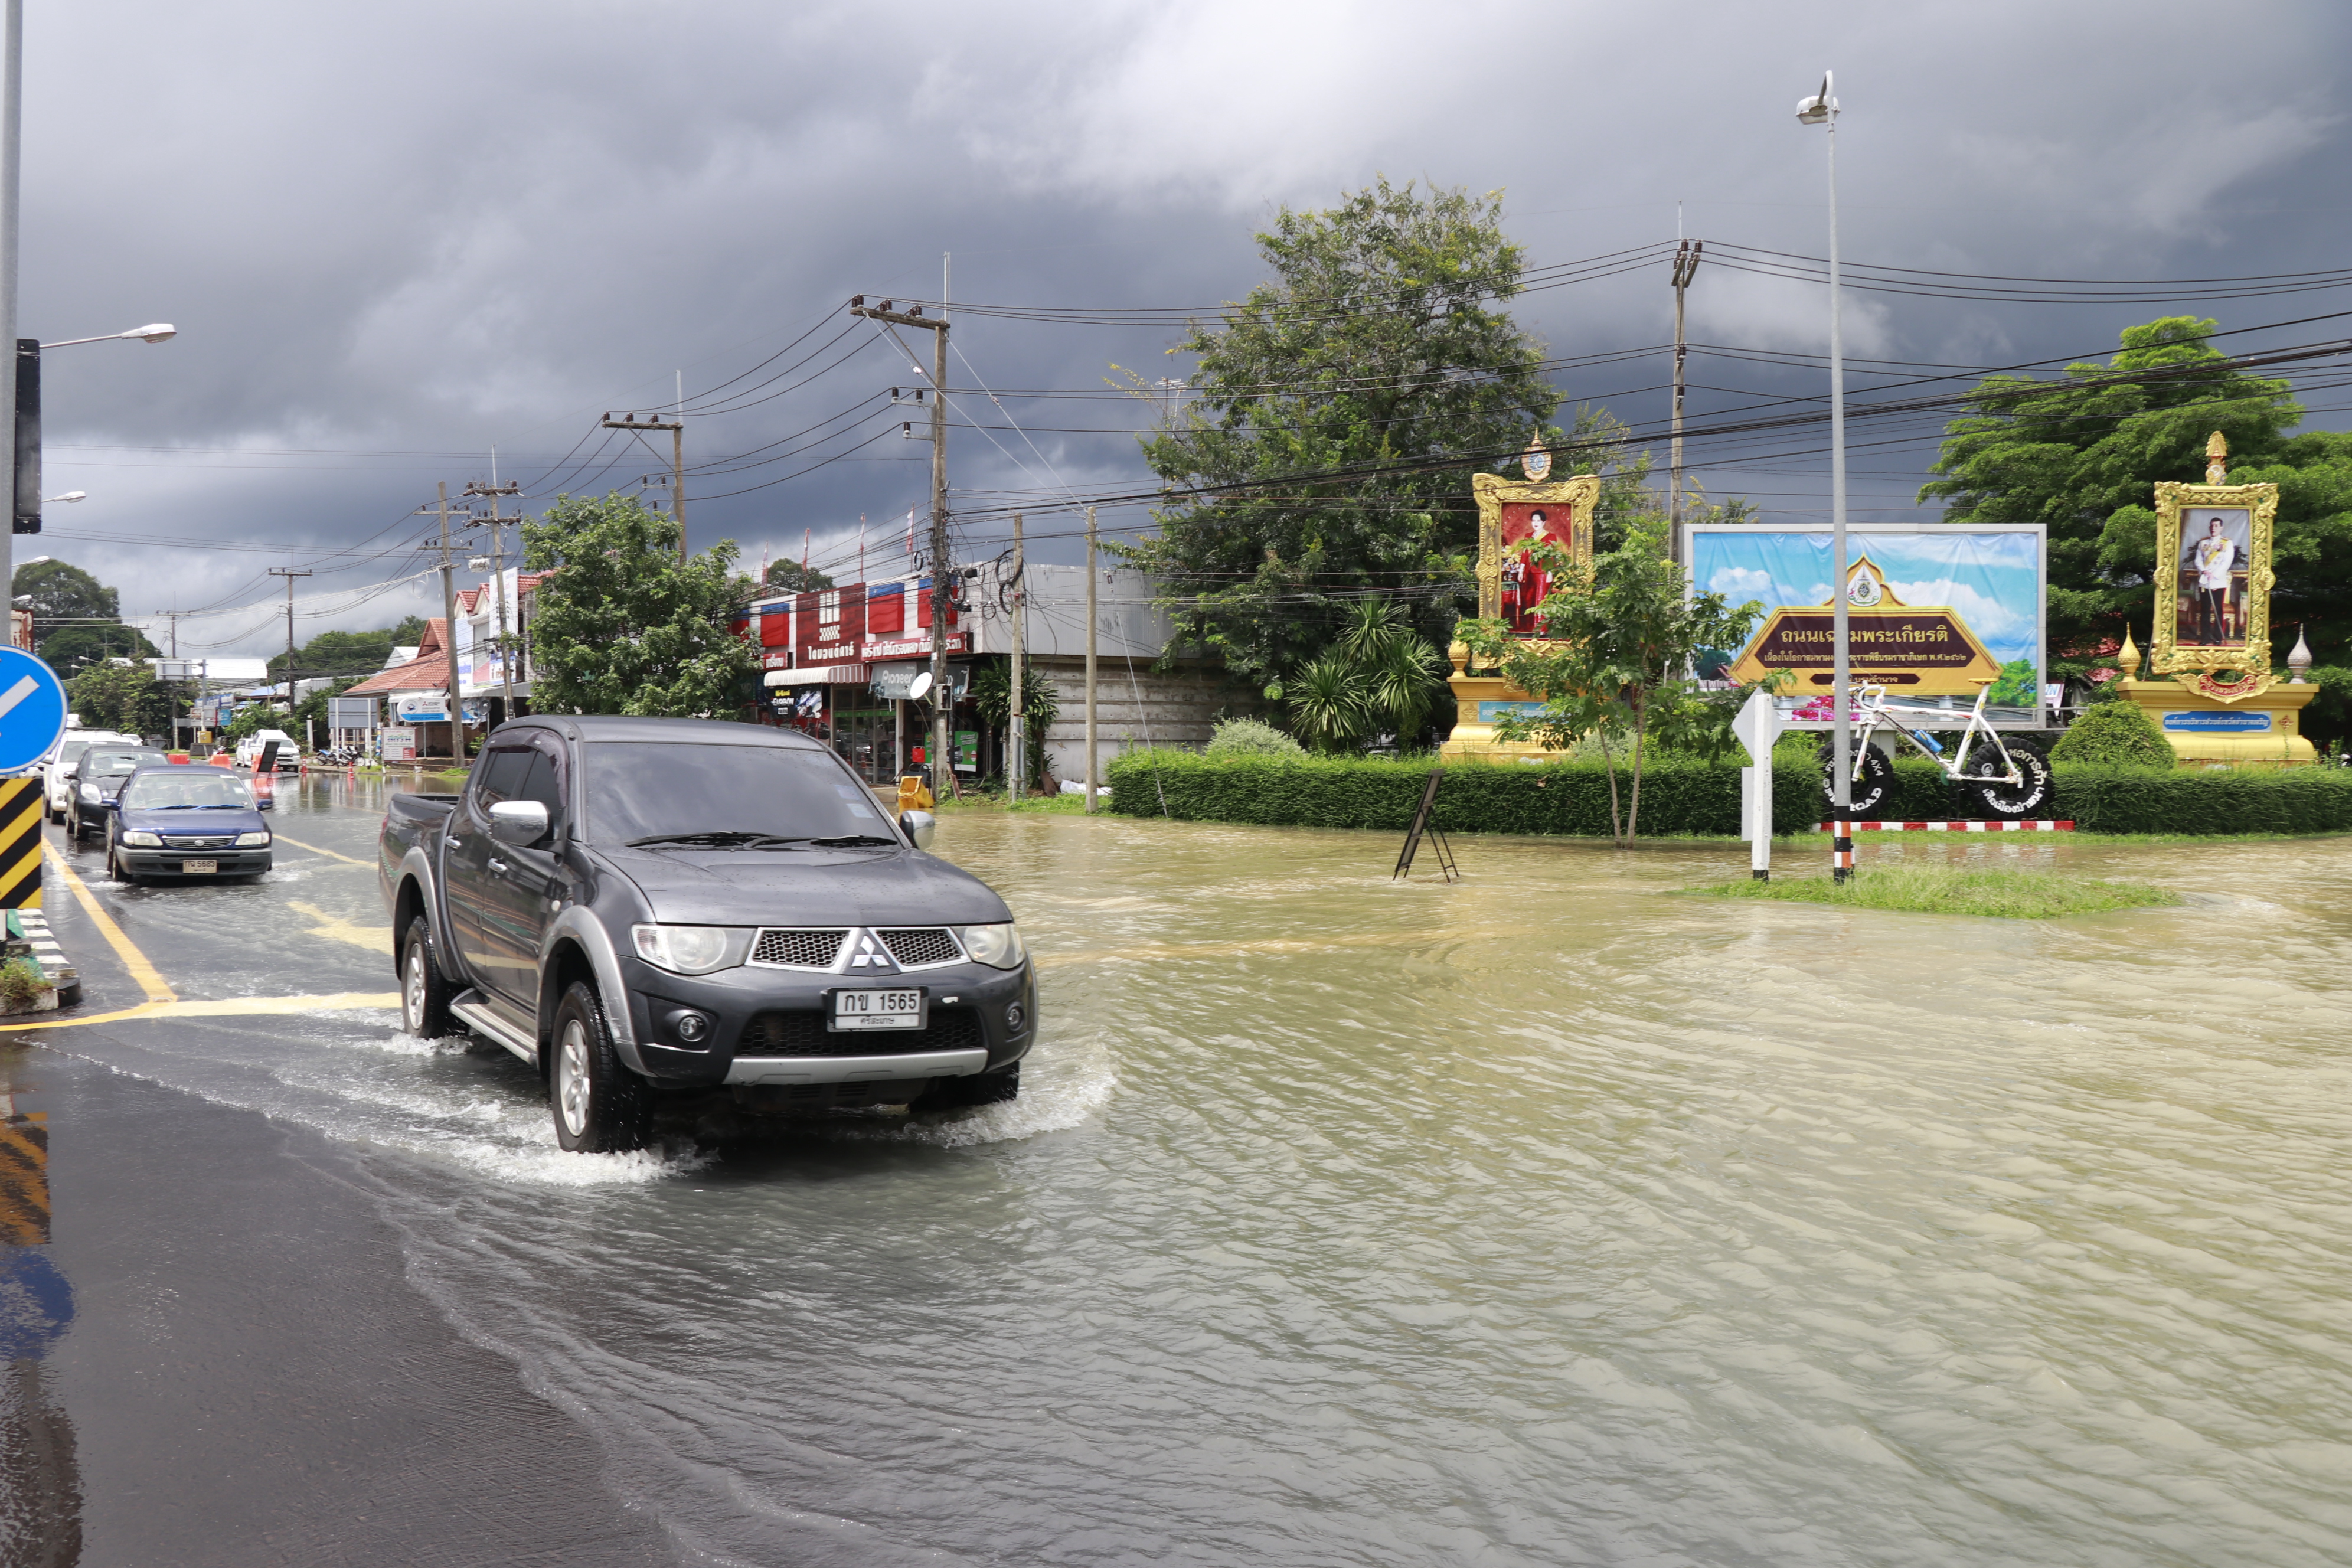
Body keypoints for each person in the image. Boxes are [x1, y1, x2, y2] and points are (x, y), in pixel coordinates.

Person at [2189, 516, 2237, 643]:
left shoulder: (2227, 543)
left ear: (2221, 528)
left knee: (2218, 610)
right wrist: (2204, 571)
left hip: (2218, 581)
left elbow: (2227, 562)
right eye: (2212, 526)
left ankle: (2217, 638)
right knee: (2205, 610)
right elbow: (2198, 560)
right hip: (2205, 581)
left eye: (2216, 526)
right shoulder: (2203, 543)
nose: (2213, 528)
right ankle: (2205, 638)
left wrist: (2214, 574)